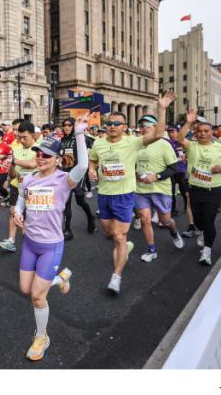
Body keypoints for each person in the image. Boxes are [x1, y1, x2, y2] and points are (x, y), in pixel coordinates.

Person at [12, 111, 92, 361]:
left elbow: (83, 166)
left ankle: (41, 337)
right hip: (30, 244)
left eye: (46, 155)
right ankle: (60, 278)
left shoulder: (63, 180)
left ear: (57, 159)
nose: (40, 157)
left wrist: (79, 133)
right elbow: (20, 202)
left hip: (51, 246)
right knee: (26, 289)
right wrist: (18, 213)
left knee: (38, 296)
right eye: (38, 153)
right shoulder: (28, 179)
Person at [88, 92, 175, 294]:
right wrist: (92, 169)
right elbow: (93, 160)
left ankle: (116, 277)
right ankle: (125, 246)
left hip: (124, 195)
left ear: (124, 127)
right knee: (109, 233)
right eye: (109, 123)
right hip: (104, 194)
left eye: (117, 123)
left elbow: (158, 134)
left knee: (119, 236)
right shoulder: (99, 143)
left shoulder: (133, 142)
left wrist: (162, 109)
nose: (112, 126)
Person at [177, 108, 221, 266]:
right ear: (195, 133)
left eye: (206, 131)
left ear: (212, 133)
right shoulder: (192, 146)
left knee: (209, 220)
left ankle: (207, 251)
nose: (202, 133)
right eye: (199, 131)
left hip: (213, 190)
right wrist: (188, 122)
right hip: (195, 189)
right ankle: (201, 231)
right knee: (198, 220)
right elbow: (180, 138)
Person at [133, 115, 184, 262]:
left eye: (147, 125)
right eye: (141, 126)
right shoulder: (136, 144)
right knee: (145, 219)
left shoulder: (164, 144)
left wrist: (157, 176)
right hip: (141, 189)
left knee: (165, 220)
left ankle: (173, 232)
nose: (143, 128)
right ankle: (152, 250)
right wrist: (134, 173)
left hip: (160, 189)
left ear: (156, 127)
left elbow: (174, 168)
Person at [0, 122, 37, 252]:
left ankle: (37, 243)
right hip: (19, 187)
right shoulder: (17, 150)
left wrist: (14, 160)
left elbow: (32, 164)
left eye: (25, 137)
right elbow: (13, 174)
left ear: (33, 135)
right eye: (20, 137)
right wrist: (11, 167)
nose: (22, 140)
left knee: (34, 217)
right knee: (14, 211)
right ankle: (11, 241)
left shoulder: (39, 149)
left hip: (35, 190)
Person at [59, 117, 96, 240]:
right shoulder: (61, 140)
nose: (66, 127)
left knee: (80, 201)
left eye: (69, 125)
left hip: (78, 174)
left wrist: (92, 167)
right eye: (65, 125)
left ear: (74, 127)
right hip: (65, 174)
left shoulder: (80, 138)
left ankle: (90, 217)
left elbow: (95, 146)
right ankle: (67, 230)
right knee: (66, 202)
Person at [166, 126, 196, 237]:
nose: (171, 134)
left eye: (173, 132)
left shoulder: (184, 142)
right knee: (171, 191)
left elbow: (192, 153)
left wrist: (187, 157)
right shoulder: (167, 143)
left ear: (178, 132)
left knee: (185, 193)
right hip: (171, 171)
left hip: (182, 171)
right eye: (169, 132)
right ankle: (172, 210)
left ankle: (187, 208)